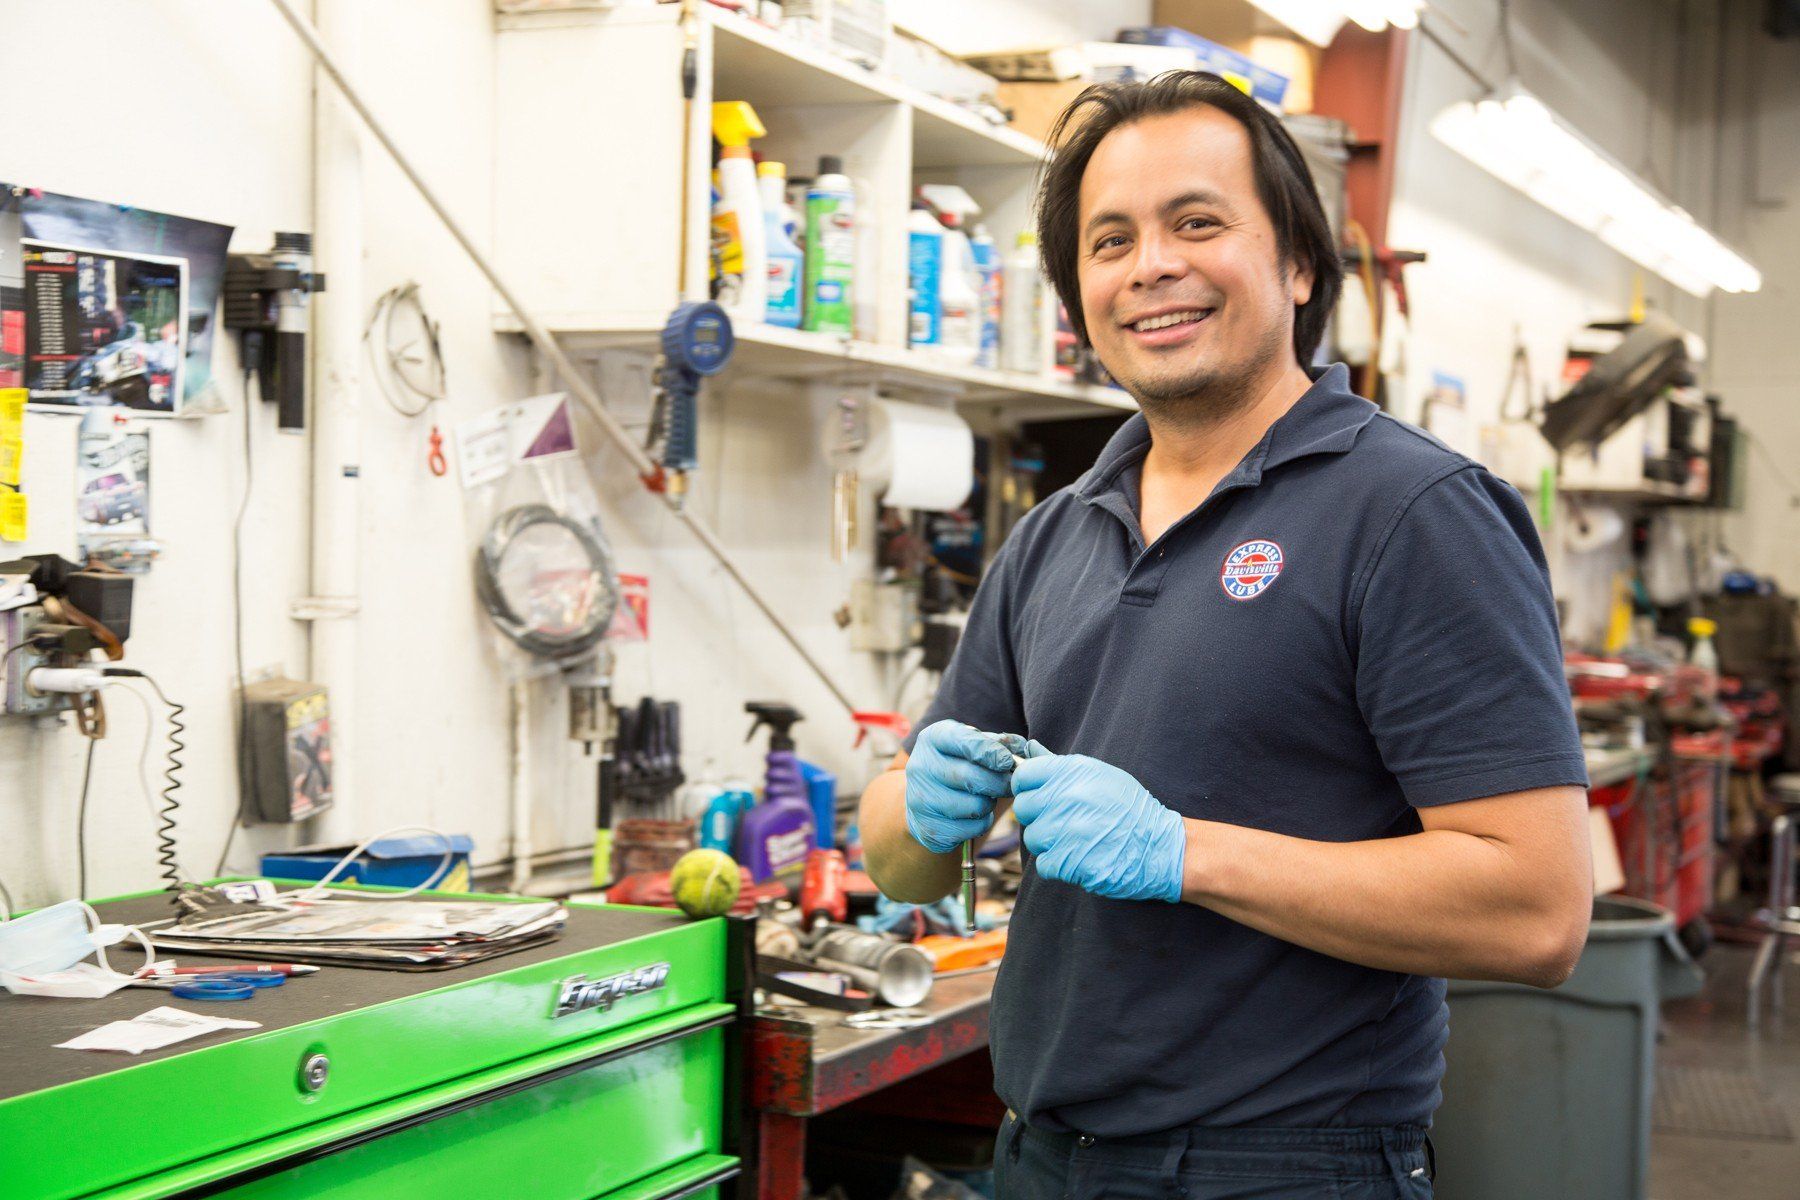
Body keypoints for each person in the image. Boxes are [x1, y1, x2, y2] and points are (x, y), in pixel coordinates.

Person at [857, 72, 1592, 1200]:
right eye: (1111, 241)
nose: (1150, 264)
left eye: (1196, 222)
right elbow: (901, 864)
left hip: (1283, 1167)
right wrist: (915, 806)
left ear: (1298, 264)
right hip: (1042, 1157)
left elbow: (1537, 911)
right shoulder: (1058, 534)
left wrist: (1182, 853)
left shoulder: (1412, 513)